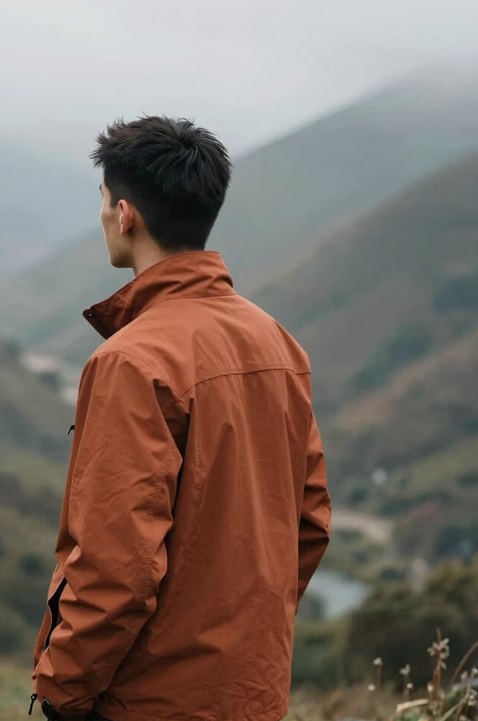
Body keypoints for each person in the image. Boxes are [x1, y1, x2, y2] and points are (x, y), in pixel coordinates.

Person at [30, 116, 332, 721]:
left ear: (125, 215)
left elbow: (116, 567)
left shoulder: (131, 361)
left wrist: (61, 691)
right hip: (252, 693)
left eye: (102, 202)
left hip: (147, 701)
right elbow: (310, 520)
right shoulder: (278, 344)